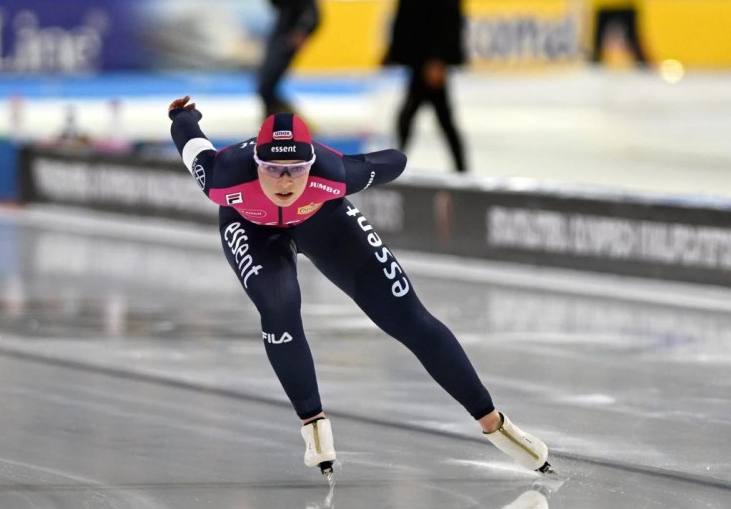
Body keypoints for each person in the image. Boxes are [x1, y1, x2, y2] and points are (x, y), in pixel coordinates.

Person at [168, 95, 554, 478]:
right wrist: (183, 116)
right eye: (272, 169)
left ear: (311, 163)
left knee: (407, 316)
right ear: (256, 164)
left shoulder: (333, 172)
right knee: (279, 305)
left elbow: (393, 162)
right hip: (250, 229)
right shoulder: (224, 176)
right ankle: (313, 423)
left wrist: (365, 162)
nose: (284, 181)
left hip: (325, 222)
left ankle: (494, 423)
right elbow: (191, 142)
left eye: (296, 168)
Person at [382, 0, 468, 173]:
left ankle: (392, 169)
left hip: (430, 59)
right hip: (419, 56)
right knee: (437, 116)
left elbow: (449, 17)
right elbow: (407, 15)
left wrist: (439, 60)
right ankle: (461, 169)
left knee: (412, 115)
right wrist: (393, 50)